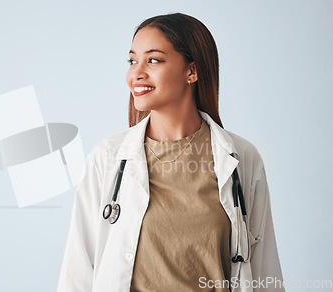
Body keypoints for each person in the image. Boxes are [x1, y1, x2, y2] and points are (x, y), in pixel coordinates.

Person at [57, 13, 284, 292]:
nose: (136, 73)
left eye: (153, 60)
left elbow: (264, 269)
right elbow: (78, 270)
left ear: (192, 71)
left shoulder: (241, 158)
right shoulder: (108, 157)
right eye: (132, 60)